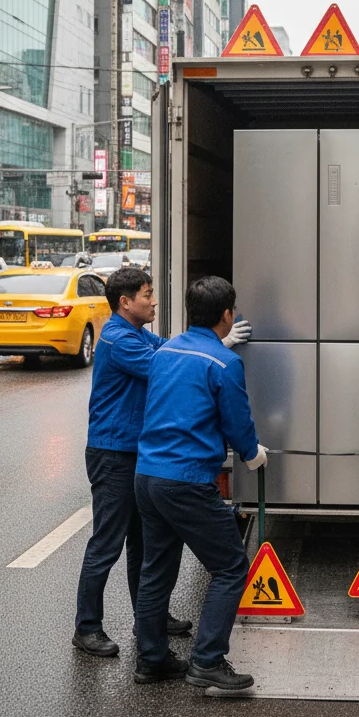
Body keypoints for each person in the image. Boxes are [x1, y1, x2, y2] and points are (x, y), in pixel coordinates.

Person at [73, 268, 251, 658]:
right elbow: (166, 363)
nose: (154, 301)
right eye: (147, 295)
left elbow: (170, 348)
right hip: (113, 451)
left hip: (138, 452)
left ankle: (148, 619)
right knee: (107, 543)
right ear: (125, 302)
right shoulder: (119, 338)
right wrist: (217, 349)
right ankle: (87, 627)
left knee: (142, 544)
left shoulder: (139, 333)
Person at [133, 276, 266, 690]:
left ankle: (152, 659)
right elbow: (236, 421)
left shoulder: (164, 351)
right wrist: (251, 454)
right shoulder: (225, 363)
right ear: (227, 315)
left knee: (156, 570)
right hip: (186, 482)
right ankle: (207, 660)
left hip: (147, 476)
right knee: (230, 566)